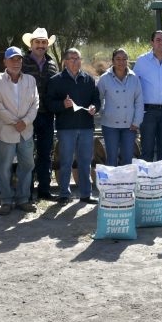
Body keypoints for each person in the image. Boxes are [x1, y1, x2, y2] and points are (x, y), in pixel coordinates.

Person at [0, 47, 39, 215]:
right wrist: (15, 122)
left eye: (18, 59)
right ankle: (6, 200)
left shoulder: (30, 80)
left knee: (28, 164)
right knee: (4, 167)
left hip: (25, 130)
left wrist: (24, 122)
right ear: (5, 62)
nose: (16, 62)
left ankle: (23, 199)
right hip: (5, 131)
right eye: (12, 59)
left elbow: (35, 104)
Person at [48, 48, 100, 205]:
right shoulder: (56, 80)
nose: (76, 61)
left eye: (78, 58)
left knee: (85, 162)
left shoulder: (89, 80)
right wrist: (62, 104)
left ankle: (85, 194)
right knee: (65, 161)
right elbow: (49, 103)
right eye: (72, 58)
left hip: (86, 127)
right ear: (65, 61)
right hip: (66, 128)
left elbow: (96, 100)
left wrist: (94, 108)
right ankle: (64, 194)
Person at [133, 30, 162, 193]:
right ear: (151, 42)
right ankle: (146, 186)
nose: (161, 42)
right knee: (147, 149)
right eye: (158, 40)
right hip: (148, 111)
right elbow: (134, 85)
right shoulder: (142, 61)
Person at [21, 27, 59, 201]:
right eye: (38, 42)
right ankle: (26, 192)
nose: (41, 45)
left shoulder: (52, 64)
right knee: (27, 154)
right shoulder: (21, 62)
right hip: (27, 115)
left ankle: (44, 190)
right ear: (31, 44)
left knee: (45, 153)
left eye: (44, 42)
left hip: (47, 114)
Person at [97, 48, 143, 166]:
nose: (121, 62)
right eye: (118, 59)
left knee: (127, 159)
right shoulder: (104, 78)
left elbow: (139, 101)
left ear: (127, 61)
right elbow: (98, 99)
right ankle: (113, 184)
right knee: (111, 158)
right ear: (112, 61)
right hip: (110, 125)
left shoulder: (134, 78)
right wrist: (104, 113)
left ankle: (126, 184)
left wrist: (136, 122)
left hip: (130, 126)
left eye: (124, 59)